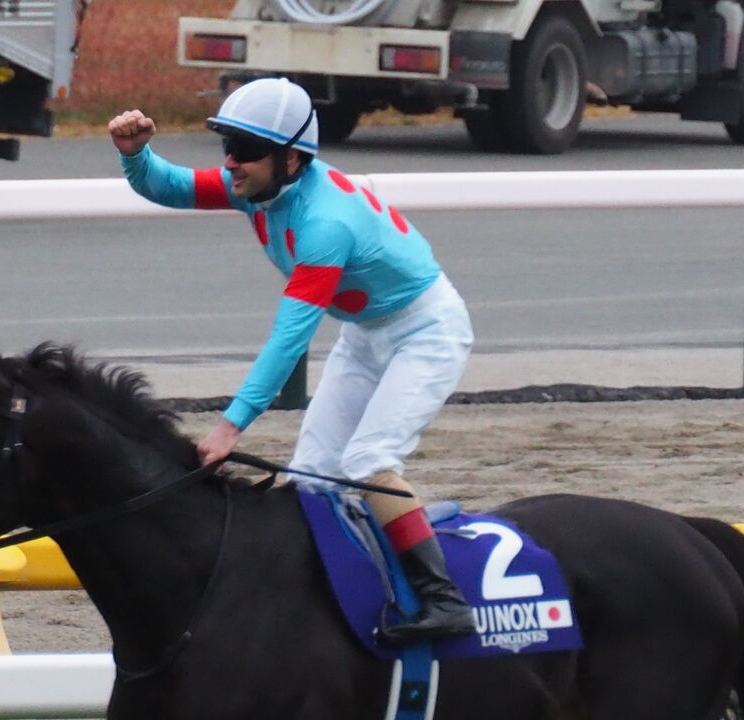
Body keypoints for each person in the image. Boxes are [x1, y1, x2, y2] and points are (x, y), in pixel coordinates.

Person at [108, 77, 475, 645]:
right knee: (310, 476)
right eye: (227, 144)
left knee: (368, 460)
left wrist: (230, 427)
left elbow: (289, 338)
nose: (231, 162)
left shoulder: (325, 224)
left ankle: (444, 601)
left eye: (245, 150)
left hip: (427, 332)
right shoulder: (257, 183)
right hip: (366, 334)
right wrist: (135, 155)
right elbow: (171, 186)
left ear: (293, 159)